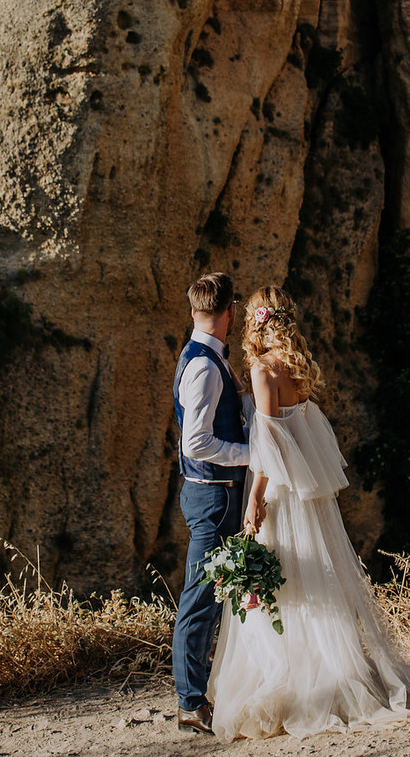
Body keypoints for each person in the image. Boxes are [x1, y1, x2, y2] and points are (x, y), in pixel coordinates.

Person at [208, 286, 410, 740]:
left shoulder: (260, 368)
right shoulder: (296, 365)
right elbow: (299, 426)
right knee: (317, 580)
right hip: (309, 494)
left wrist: (254, 499)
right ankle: (330, 671)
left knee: (286, 584)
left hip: (281, 492)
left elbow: (269, 443)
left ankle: (293, 680)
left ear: (256, 321)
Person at [171, 272, 251, 735]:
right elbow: (197, 443)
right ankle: (190, 703)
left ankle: (200, 695)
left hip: (214, 493)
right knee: (200, 599)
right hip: (214, 494)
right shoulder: (202, 365)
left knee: (212, 598)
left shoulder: (205, 358)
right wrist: (250, 455)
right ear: (230, 312)